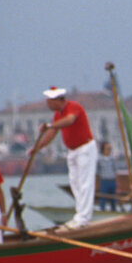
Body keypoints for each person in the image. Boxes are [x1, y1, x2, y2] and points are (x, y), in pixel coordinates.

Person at [29, 87, 97, 229]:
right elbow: (52, 133)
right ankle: (80, 215)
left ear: (57, 100)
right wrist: (38, 147)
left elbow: (70, 120)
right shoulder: (57, 115)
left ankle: (84, 218)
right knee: (75, 183)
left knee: (85, 184)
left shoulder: (73, 107)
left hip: (85, 149)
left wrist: (49, 125)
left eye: (49, 101)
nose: (47, 104)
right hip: (72, 152)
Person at [96, 141, 117, 211]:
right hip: (104, 181)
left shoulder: (112, 159)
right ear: (103, 150)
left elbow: (115, 170)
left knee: (113, 200)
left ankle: (114, 212)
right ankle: (102, 212)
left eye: (110, 149)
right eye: (107, 149)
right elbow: (97, 171)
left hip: (112, 181)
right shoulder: (99, 159)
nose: (109, 150)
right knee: (103, 199)